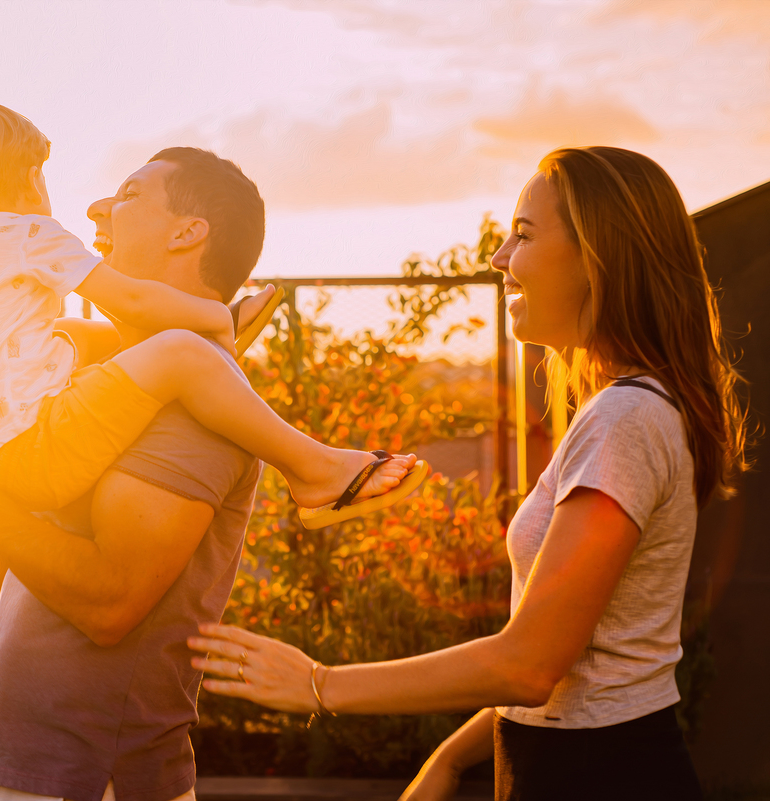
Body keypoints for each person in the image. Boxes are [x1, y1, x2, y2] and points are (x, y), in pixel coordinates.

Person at [186, 146, 750, 801]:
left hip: (595, 774)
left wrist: (320, 682)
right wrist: (452, 758)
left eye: (524, 233)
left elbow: (530, 663)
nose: (500, 257)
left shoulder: (625, 417)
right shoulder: (631, 409)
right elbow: (573, 658)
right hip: (578, 759)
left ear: (599, 253)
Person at [0, 147, 414, 801]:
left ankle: (318, 469)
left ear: (187, 232)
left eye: (128, 194)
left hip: (90, 773)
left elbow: (107, 604)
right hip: (35, 763)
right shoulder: (104, 385)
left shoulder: (194, 401)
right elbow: (16, 570)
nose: (94, 209)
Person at [0, 101, 424, 529]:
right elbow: (129, 300)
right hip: (38, 444)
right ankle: (315, 469)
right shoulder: (30, 235)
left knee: (63, 334)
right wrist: (212, 318)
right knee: (182, 354)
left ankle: (188, 338)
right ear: (30, 177)